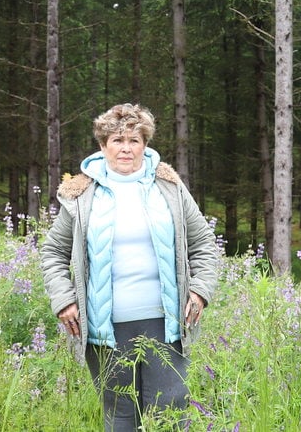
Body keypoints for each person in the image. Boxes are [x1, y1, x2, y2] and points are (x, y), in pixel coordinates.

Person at [40, 103, 221, 432]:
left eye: (134, 140)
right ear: (102, 145)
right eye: (117, 140)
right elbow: (53, 251)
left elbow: (204, 243)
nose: (126, 148)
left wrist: (200, 290)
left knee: (171, 412)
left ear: (145, 144)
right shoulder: (80, 195)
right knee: (120, 414)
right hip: (104, 329)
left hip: (167, 324)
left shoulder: (170, 187)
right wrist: (63, 299)